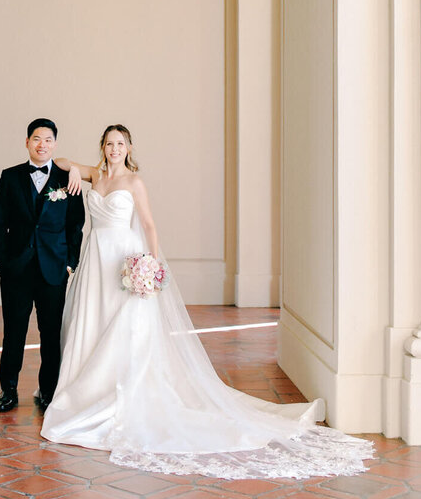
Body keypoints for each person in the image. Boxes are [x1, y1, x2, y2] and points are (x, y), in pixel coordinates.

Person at [42, 125, 374, 480]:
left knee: (124, 329)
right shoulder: (96, 175)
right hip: (95, 259)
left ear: (129, 148)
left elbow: (150, 226)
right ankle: (89, 390)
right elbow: (59, 161)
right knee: (93, 323)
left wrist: (150, 264)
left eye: (120, 144)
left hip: (122, 258)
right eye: (109, 143)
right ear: (103, 147)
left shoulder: (135, 182)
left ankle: (119, 390)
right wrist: (76, 170)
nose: (114, 149)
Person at [0, 118, 85, 413]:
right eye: (36, 139)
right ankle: (8, 390)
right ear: (27, 142)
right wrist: (1, 260)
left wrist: (70, 262)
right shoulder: (9, 177)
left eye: (47, 139)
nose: (42, 144)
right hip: (16, 269)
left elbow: (76, 225)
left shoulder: (68, 178)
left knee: (50, 332)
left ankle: (48, 391)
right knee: (14, 331)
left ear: (55, 144)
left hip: (53, 269)